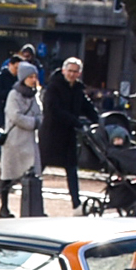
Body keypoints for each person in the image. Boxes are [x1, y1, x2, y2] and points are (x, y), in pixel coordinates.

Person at [41, 56, 95, 211]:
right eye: (70, 71)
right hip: (51, 134)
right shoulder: (53, 87)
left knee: (72, 169)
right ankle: (32, 196)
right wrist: (75, 121)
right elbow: (53, 110)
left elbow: (87, 107)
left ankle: (76, 204)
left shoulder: (78, 89)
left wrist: (98, 120)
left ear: (79, 73)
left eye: (75, 72)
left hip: (68, 135)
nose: (72, 74)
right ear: (64, 71)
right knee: (39, 168)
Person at [0, 63, 42, 217]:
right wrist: (33, 122)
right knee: (8, 176)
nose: (33, 79)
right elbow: (15, 116)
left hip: (30, 142)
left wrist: (37, 121)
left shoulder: (34, 95)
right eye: (30, 77)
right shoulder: (13, 95)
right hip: (14, 142)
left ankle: (33, 208)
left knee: (33, 175)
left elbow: (39, 113)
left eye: (34, 76)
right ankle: (4, 208)